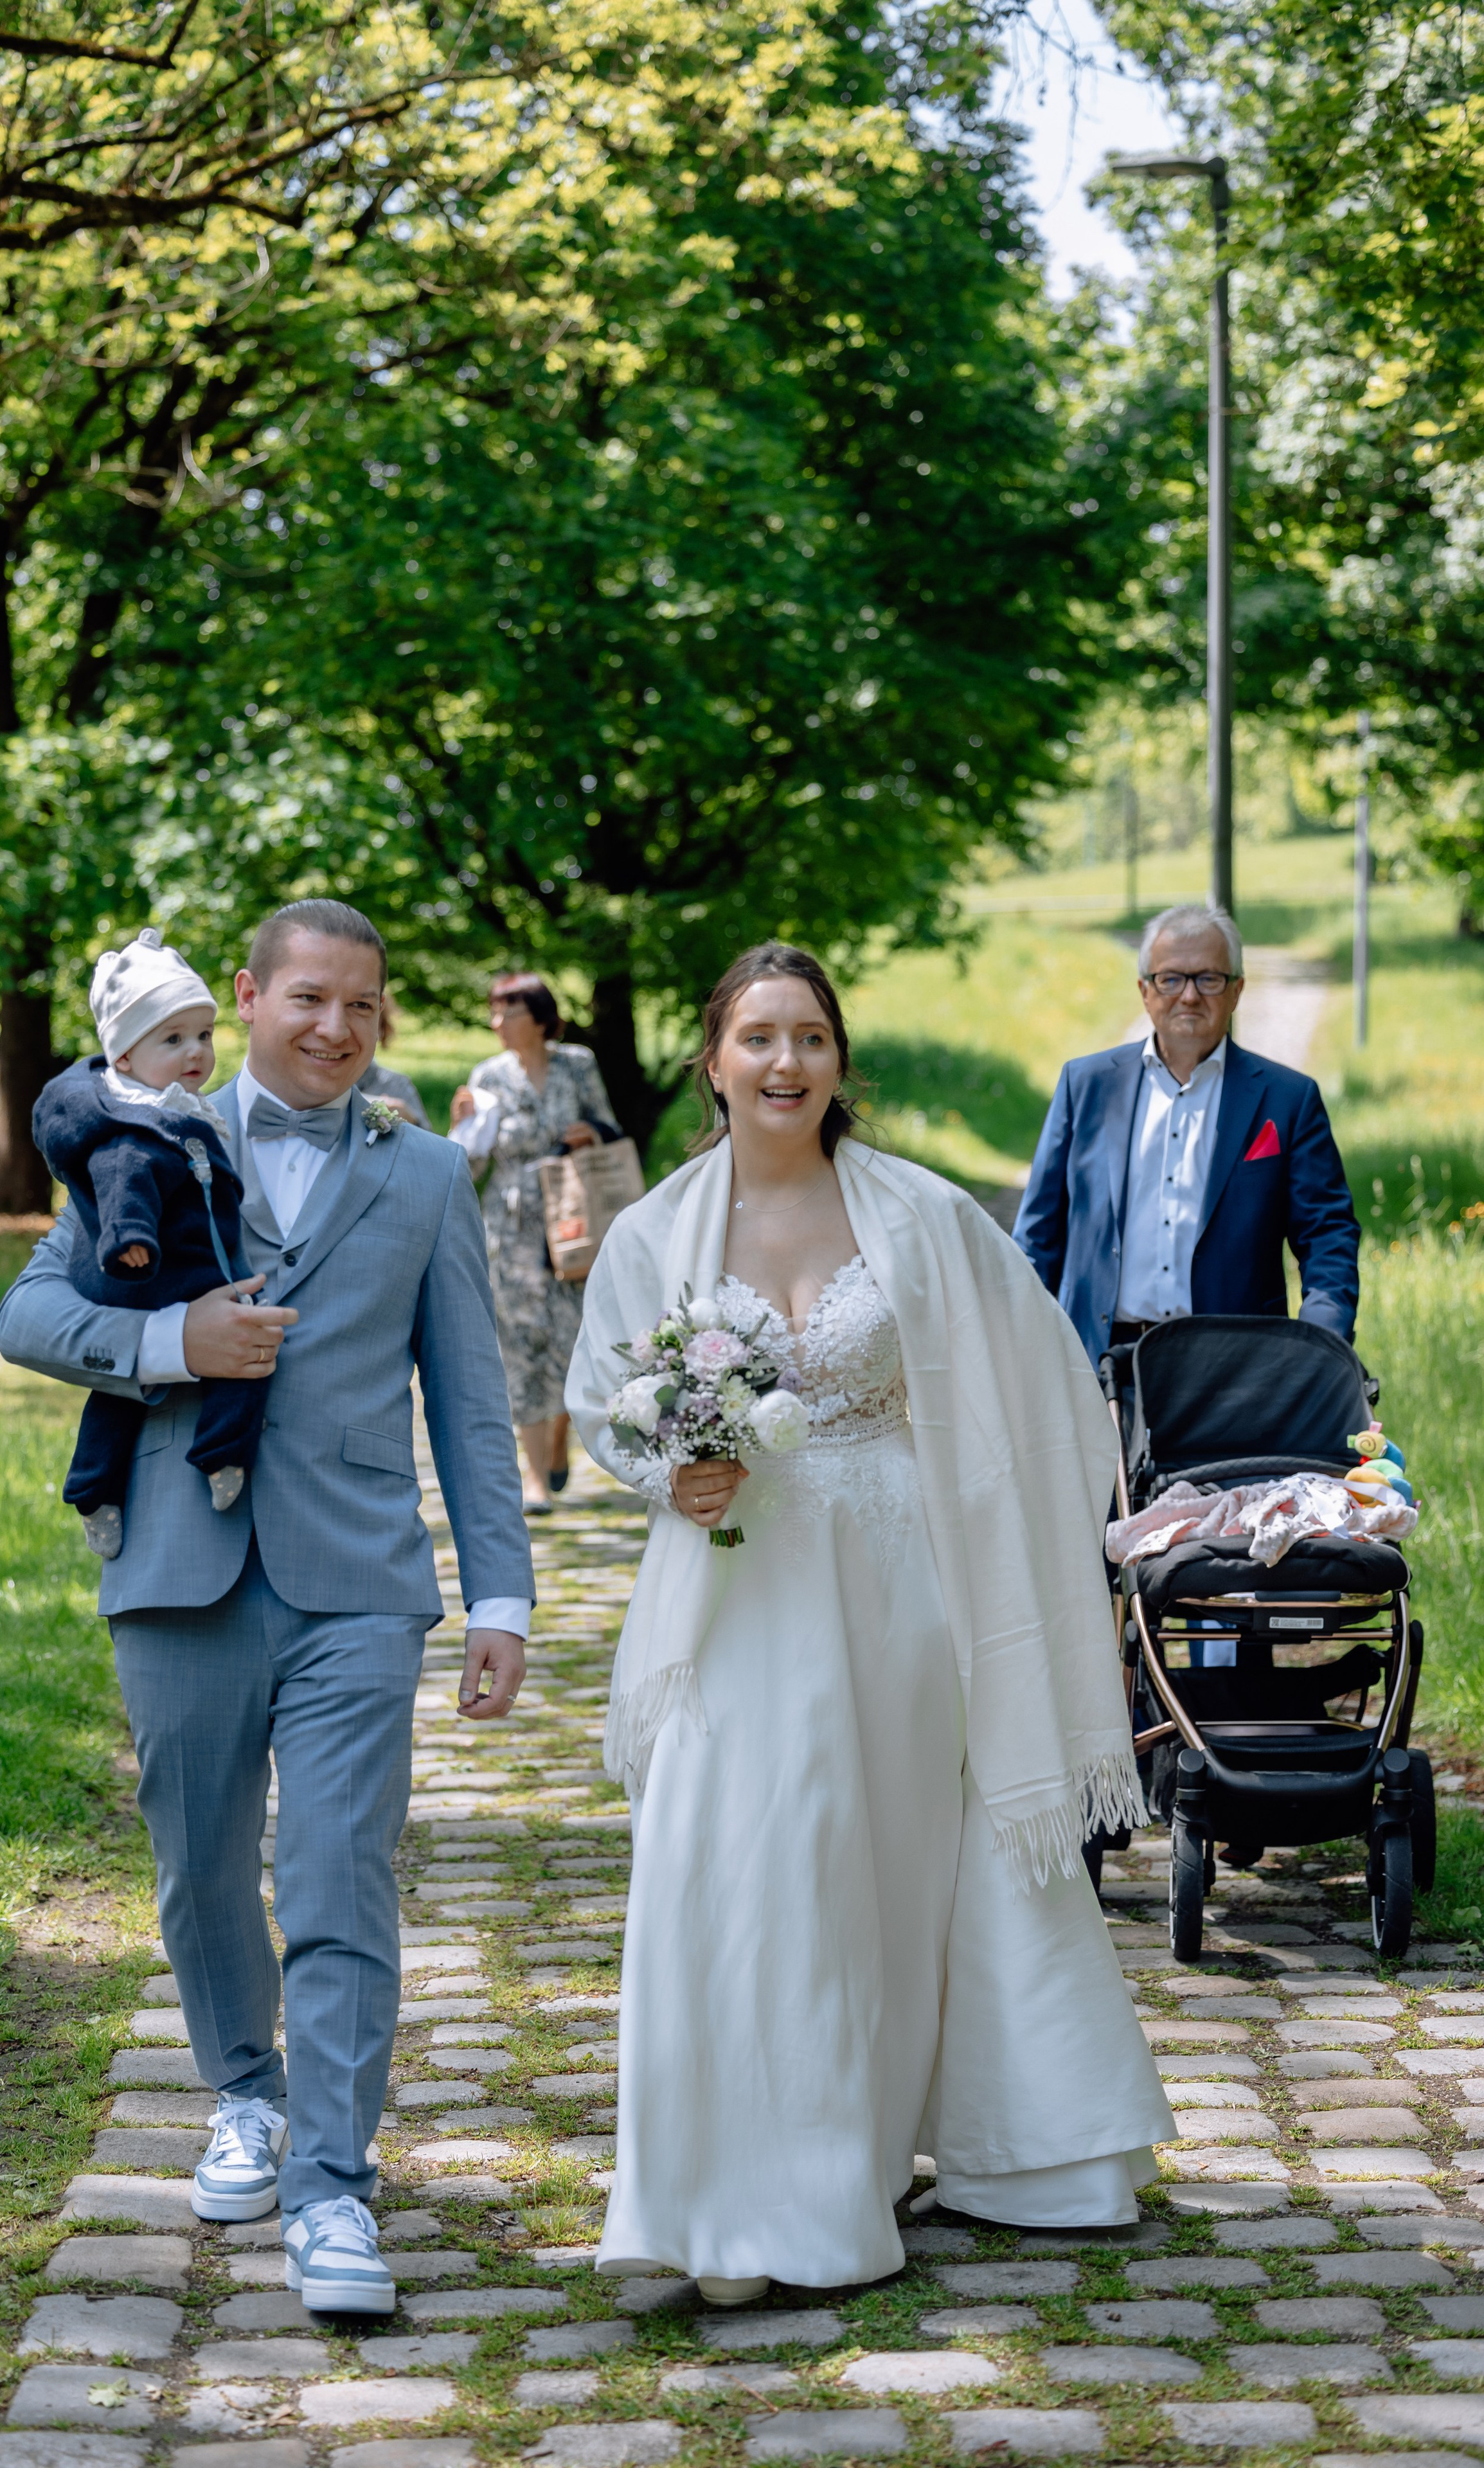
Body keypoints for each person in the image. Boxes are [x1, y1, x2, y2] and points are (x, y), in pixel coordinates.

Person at [566, 941, 1172, 2299]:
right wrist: (672, 1470)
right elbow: (608, 1393)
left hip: (905, 1595)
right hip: (738, 1588)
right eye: (758, 1038)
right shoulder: (656, 1231)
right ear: (711, 1062)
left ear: (838, 1063)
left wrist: (1063, 1526)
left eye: (811, 1039)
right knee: (747, 1857)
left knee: (888, 1867)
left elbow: (1043, 1375)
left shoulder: (918, 1216)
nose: (786, 1063)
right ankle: (749, 2201)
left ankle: (943, 2138)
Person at [0, 898, 533, 2314]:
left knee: (341, 1875)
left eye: (361, 1006)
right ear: (245, 996)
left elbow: (472, 1409)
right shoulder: (148, 1124)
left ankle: (334, 2191)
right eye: (307, 999)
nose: (334, 1028)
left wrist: (503, 1598)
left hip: (355, 1575)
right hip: (176, 1562)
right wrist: (174, 1340)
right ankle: (246, 2091)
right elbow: (32, 1316)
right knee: (198, 1867)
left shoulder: (422, 1179)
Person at [1014, 902, 1359, 1368]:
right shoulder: (1087, 1087)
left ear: (1236, 991)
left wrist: (1320, 1346)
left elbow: (1327, 1236)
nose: (1190, 996)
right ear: (1144, 991)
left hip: (1238, 1373)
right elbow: (1037, 1240)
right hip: (1096, 1367)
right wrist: (1023, 1352)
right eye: (1171, 979)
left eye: (1208, 979)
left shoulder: (1288, 1100)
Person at [32, 929, 262, 1562]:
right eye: (172, 1039)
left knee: (129, 1395)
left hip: (183, 1267)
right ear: (124, 1059)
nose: (196, 1052)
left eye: (204, 1035)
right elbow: (122, 1182)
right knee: (237, 1359)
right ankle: (207, 1458)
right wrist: (129, 1240)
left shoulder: (174, 1108)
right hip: (150, 1271)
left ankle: (108, 1484)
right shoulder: (137, 1124)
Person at [451, 972, 617, 1514]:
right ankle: (535, 1479)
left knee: (571, 1341)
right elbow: (471, 1166)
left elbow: (608, 1126)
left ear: (540, 1017)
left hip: (573, 1220)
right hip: (511, 1226)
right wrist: (463, 1128)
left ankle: (558, 1438)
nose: (498, 1023)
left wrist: (590, 1133)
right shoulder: (488, 1076)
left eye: (509, 1012)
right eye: (494, 1013)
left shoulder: (578, 1064)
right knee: (520, 1348)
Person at [357, 984, 431, 1129]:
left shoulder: (395, 1085)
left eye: (362, 1008)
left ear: (382, 1029)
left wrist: (411, 1123)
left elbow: (432, 1146)